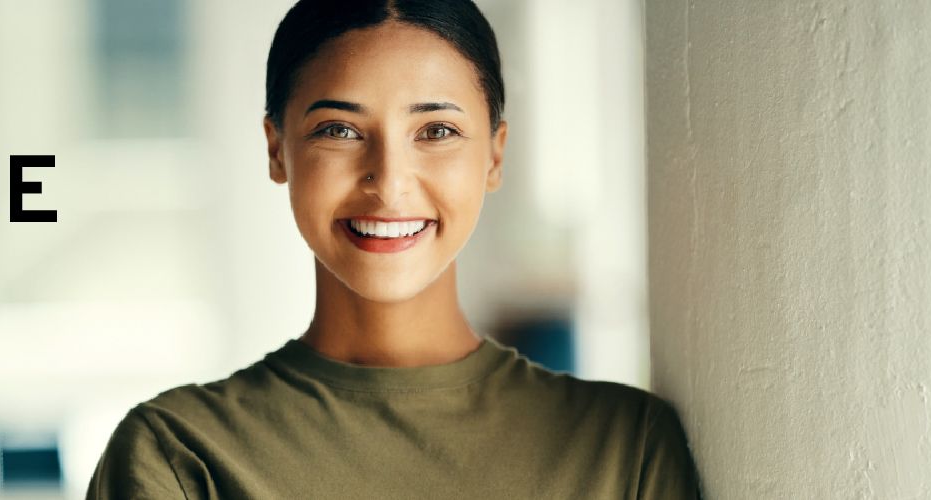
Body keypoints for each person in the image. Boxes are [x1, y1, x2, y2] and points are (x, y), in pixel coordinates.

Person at [86, 0, 702, 497]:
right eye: (340, 130)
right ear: (277, 150)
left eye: (436, 131)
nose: (389, 182)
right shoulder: (178, 456)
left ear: (494, 153)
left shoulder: (625, 448)